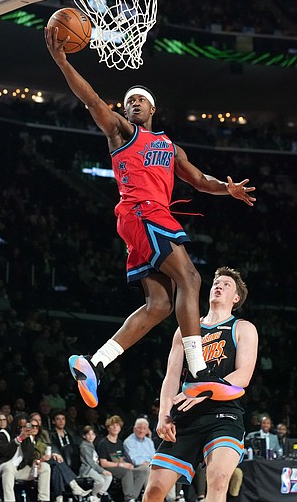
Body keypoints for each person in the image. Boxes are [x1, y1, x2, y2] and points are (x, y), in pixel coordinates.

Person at [45, 27, 256, 408]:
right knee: (191, 277)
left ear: (153, 108)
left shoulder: (169, 146)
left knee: (159, 305)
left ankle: (95, 363)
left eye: (141, 100)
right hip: (142, 213)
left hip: (147, 219)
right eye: (130, 101)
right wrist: (63, 61)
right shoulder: (121, 132)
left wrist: (229, 190)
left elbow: (199, 180)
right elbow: (92, 100)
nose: (135, 104)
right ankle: (200, 371)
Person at [143, 266, 258, 502]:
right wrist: (164, 414)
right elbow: (171, 377)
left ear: (236, 298)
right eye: (217, 283)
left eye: (227, 285)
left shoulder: (243, 328)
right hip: (186, 416)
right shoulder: (186, 329)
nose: (219, 286)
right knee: (153, 493)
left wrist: (204, 391)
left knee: (218, 479)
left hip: (224, 415)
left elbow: (243, 376)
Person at [0, 414, 51, 502]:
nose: (22, 429)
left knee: (45, 467)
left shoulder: (28, 438)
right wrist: (19, 439)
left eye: (25, 427)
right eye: (20, 427)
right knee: (9, 467)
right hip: (4, 468)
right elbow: (5, 452)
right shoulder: (4, 434)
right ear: (15, 426)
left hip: (20, 470)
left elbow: (30, 456)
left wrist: (35, 461)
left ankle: (43, 499)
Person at [97, 415, 147, 502]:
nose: (115, 427)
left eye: (117, 425)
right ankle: (129, 498)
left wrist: (127, 464)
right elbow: (103, 463)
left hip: (120, 466)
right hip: (109, 468)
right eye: (113, 425)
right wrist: (121, 464)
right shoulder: (103, 443)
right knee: (126, 472)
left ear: (120, 428)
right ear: (108, 428)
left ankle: (133, 497)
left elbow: (120, 458)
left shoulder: (120, 443)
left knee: (142, 471)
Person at [79, 425, 112, 502]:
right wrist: (102, 470)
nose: (91, 436)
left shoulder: (92, 446)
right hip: (87, 469)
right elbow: (91, 463)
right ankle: (93, 496)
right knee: (100, 480)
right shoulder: (84, 447)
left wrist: (102, 471)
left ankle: (98, 495)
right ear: (84, 436)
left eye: (93, 434)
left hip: (94, 468)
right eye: (88, 434)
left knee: (109, 477)